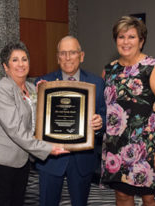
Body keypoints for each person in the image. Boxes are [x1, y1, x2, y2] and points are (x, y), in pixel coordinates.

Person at [0, 41, 69, 206]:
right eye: (15, 60)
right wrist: (48, 148)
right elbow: (15, 129)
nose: (21, 64)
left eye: (24, 59)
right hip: (3, 160)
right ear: (5, 67)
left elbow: (44, 117)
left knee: (18, 201)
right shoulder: (1, 89)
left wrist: (47, 92)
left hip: (22, 157)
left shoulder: (32, 88)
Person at [100, 16, 155, 206]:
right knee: (122, 196)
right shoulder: (109, 70)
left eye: (131, 37)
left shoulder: (154, 68)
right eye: (121, 37)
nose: (126, 42)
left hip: (148, 149)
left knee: (151, 199)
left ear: (141, 41)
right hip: (116, 148)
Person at [35, 35, 106, 206]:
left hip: (82, 159)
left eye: (72, 53)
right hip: (51, 159)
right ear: (57, 57)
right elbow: (33, 119)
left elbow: (105, 114)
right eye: (63, 53)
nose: (67, 58)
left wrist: (100, 123)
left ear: (81, 56)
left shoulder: (97, 82)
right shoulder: (43, 83)